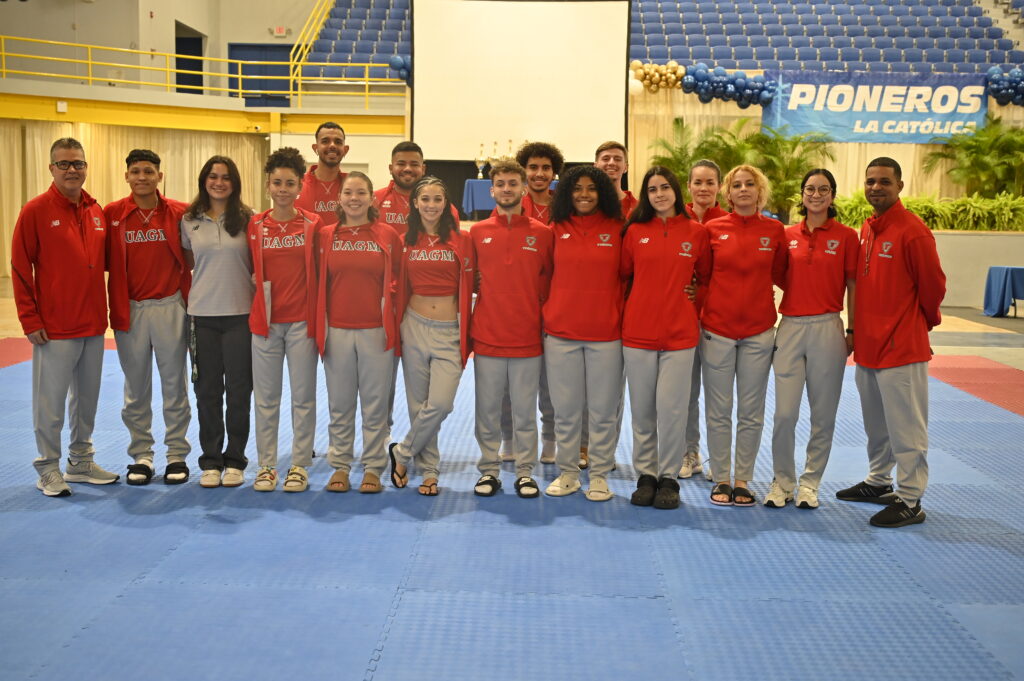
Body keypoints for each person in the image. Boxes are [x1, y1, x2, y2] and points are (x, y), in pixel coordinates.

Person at [837, 157, 946, 528]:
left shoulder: (913, 231)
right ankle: (879, 481)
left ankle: (911, 498)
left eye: (884, 181)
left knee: (906, 427)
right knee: (876, 424)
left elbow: (934, 287)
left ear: (900, 185)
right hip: (868, 347)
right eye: (870, 181)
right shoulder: (867, 229)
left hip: (901, 347)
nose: (876, 187)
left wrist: (921, 322)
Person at [13, 137, 118, 496]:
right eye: (64, 164)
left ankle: (80, 461)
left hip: (92, 323)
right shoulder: (36, 210)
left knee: (86, 400)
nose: (72, 170)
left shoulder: (95, 210)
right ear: (51, 168)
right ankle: (47, 467)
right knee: (51, 403)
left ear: (86, 167)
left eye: (78, 163)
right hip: (54, 327)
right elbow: (20, 267)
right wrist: (30, 319)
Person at [768, 169, 858, 510]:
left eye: (823, 189)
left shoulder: (847, 237)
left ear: (832, 195)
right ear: (801, 195)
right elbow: (774, 275)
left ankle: (810, 483)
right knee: (784, 415)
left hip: (828, 328)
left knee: (824, 415)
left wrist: (852, 330)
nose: (816, 194)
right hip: (790, 327)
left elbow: (853, 286)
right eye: (810, 188)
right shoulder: (785, 234)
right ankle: (782, 481)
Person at [621, 167, 710, 510]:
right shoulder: (635, 232)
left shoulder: (697, 233)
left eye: (664, 187)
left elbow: (705, 278)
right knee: (643, 411)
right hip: (638, 334)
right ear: (646, 195)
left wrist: (693, 298)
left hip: (680, 335)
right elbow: (624, 275)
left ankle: (669, 477)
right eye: (652, 189)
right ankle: (646, 474)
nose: (659, 194)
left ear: (675, 190)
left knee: (672, 410)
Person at [701, 164, 787, 507]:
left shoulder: (775, 230)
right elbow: (703, 276)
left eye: (750, 184)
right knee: (718, 410)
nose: (744, 190)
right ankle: (721, 477)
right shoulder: (712, 228)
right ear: (728, 192)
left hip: (758, 332)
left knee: (751, 411)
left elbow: (782, 275)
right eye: (737, 185)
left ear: (760, 190)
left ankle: (742, 480)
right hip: (717, 331)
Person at [105, 149, 191, 486]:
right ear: (126, 176)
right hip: (131, 310)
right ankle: (141, 455)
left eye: (149, 171)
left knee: (175, 387)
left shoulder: (179, 213)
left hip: (171, 306)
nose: (142, 177)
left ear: (160, 176)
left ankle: (176, 455)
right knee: (136, 389)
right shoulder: (112, 214)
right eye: (136, 171)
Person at [470, 159, 554, 499]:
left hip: (527, 338)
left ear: (523, 189)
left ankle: (524, 472)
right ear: (492, 190)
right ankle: (489, 470)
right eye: (500, 184)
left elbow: (548, 284)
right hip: (488, 335)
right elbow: (470, 280)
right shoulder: (476, 233)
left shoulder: (543, 234)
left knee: (524, 411)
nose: (507, 189)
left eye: (512, 183)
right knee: (487, 411)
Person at [318, 172, 403, 494]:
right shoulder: (326, 235)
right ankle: (339, 465)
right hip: (337, 331)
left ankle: (373, 467)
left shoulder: (388, 234)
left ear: (372, 198)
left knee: (375, 406)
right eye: (348, 193)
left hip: (376, 332)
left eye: (361, 192)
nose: (354, 198)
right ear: (339, 199)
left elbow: (400, 279)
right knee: (340, 405)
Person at [543, 165, 624, 502]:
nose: (585, 194)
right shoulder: (555, 229)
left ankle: (601, 475)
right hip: (561, 333)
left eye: (592, 188)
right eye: (577, 188)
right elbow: (541, 274)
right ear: (567, 192)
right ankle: (568, 473)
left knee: (603, 411)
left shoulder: (619, 228)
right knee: (566, 410)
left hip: (606, 334)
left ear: (602, 192)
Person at [389, 177, 475, 496]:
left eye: (437, 199)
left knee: (440, 403)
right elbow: (396, 282)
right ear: (415, 203)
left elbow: (475, 280)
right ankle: (430, 471)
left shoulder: (461, 240)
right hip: (413, 325)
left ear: (446, 204)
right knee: (417, 404)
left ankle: (403, 452)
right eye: (425, 199)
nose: (431, 205)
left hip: (449, 331)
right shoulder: (404, 240)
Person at [247, 148, 320, 493]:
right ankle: (266, 465)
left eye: (290, 183)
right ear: (267, 185)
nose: (283, 189)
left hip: (302, 323)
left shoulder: (312, 224)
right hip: (265, 324)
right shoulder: (255, 225)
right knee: (266, 398)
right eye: (277, 182)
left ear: (300, 186)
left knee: (303, 397)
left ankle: (299, 464)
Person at [181, 156, 255, 488]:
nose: (219, 182)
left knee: (239, 391)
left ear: (235, 182)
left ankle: (235, 459)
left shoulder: (248, 218)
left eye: (226, 177)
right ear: (204, 180)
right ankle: (210, 459)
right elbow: (187, 261)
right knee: (207, 391)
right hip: (203, 317)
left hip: (241, 316)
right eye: (213, 176)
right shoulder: (189, 220)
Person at [680, 159, 729, 480]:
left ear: (718, 187)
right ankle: (689, 452)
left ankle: (718, 458)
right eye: (698, 182)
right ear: (689, 186)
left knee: (716, 394)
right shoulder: (674, 217)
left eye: (710, 182)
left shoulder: (727, 221)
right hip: (680, 319)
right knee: (685, 393)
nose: (703, 188)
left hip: (716, 320)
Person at [295, 121, 348, 225]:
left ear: (345, 150)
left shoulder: (353, 186)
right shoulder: (296, 185)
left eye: (338, 142)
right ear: (316, 148)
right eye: (325, 141)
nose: (332, 145)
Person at [595, 141, 638, 218]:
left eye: (617, 159)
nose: (611, 163)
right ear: (595, 166)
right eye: (606, 159)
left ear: (626, 167)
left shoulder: (639, 209)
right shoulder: (584, 206)